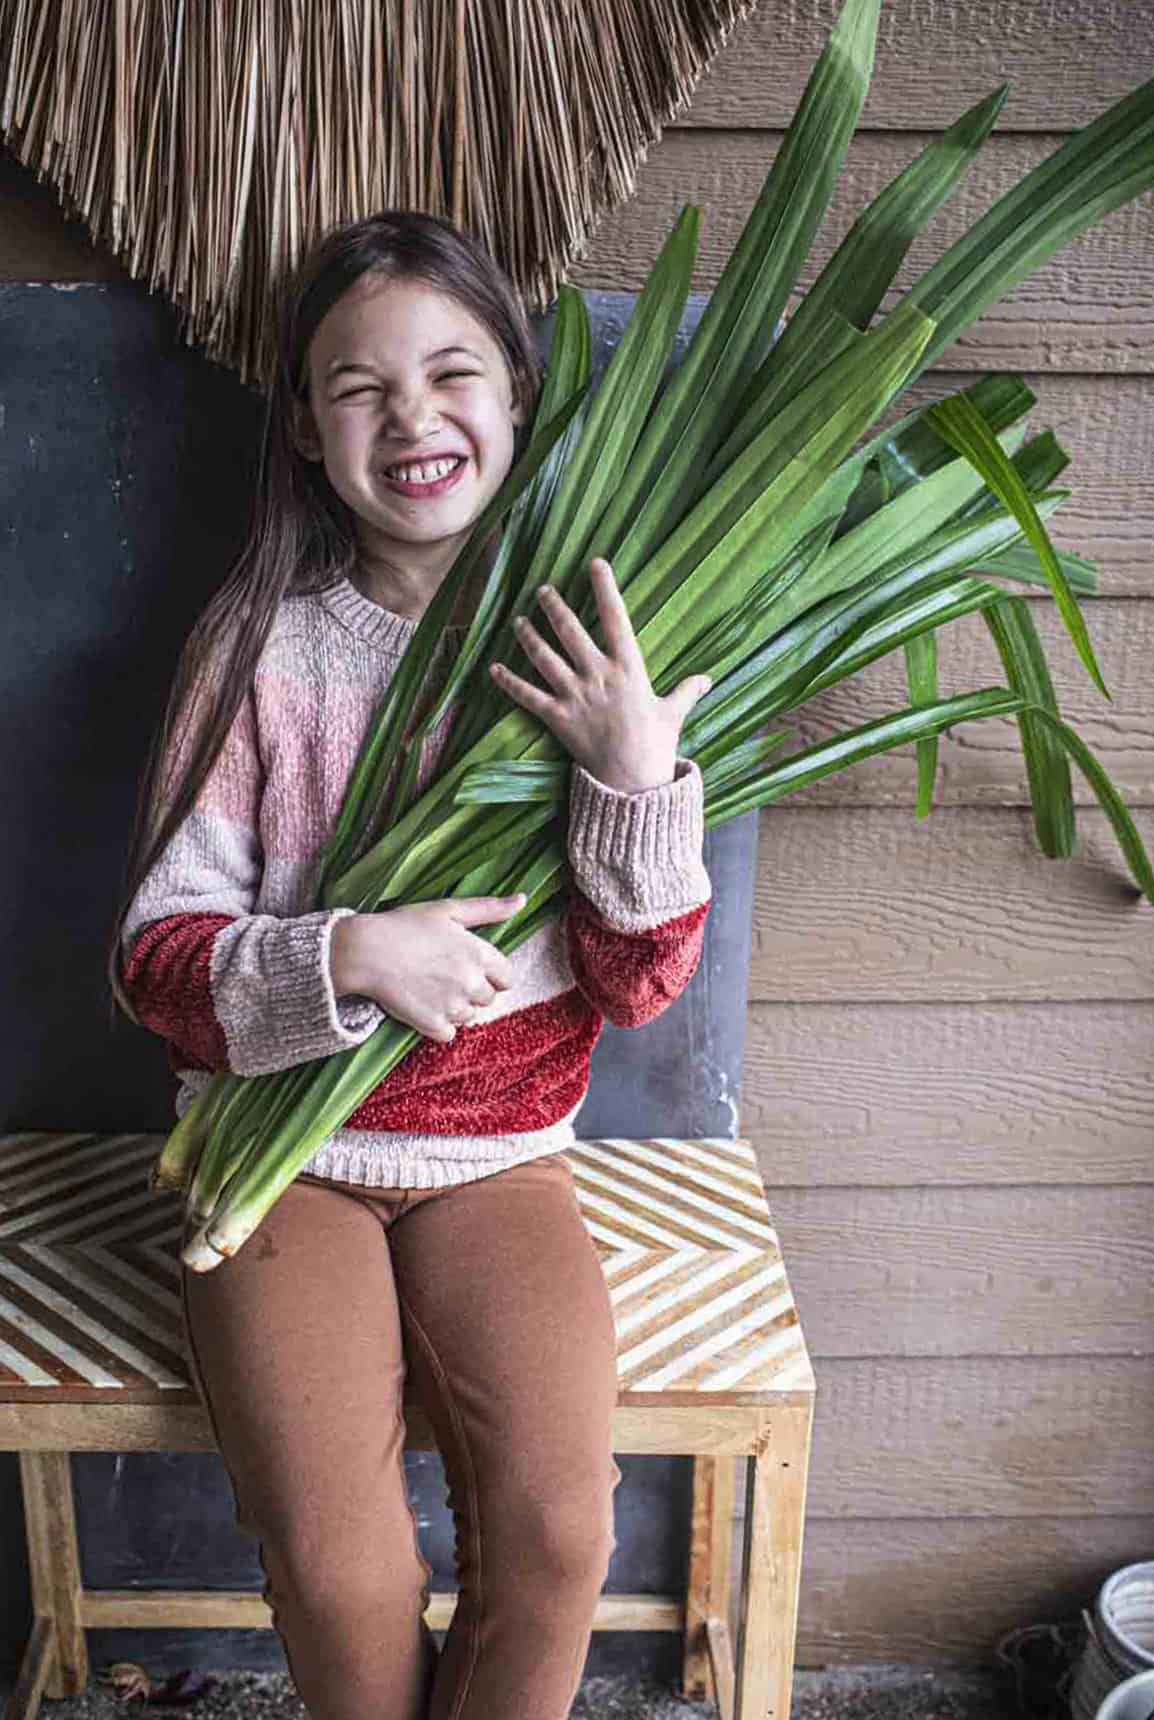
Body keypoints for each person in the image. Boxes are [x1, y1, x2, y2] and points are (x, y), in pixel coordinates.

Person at [107, 210, 714, 1720]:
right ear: (308, 432)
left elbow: (639, 984)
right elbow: (152, 960)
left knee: (566, 1530)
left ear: (516, 391)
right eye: (359, 388)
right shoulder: (257, 650)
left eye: (452, 373)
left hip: (502, 1162)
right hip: (281, 1163)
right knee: (339, 1565)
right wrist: (348, 955)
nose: (413, 417)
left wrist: (639, 777)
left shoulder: (587, 655)